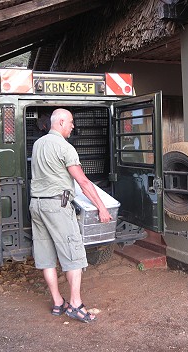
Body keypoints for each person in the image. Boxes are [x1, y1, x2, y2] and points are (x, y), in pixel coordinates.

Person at [29, 108, 112, 323]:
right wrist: (102, 208)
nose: (73, 126)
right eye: (72, 122)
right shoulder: (65, 148)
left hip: (37, 205)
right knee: (74, 255)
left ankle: (58, 302)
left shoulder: (38, 144)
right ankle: (75, 304)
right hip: (57, 206)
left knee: (46, 256)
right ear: (61, 122)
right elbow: (83, 182)